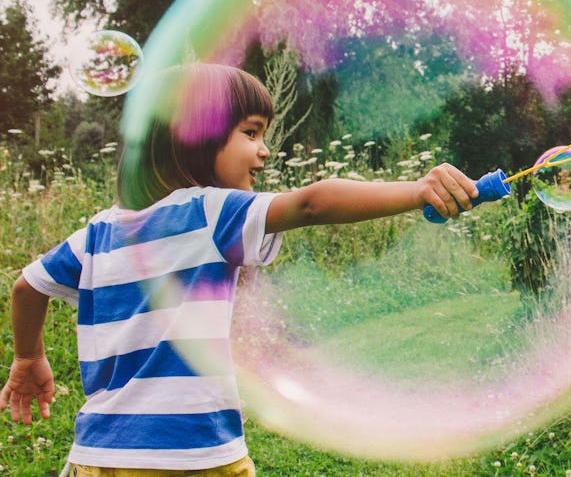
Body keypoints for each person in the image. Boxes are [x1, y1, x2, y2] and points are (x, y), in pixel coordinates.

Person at [0, 63, 478, 476]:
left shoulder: (97, 233)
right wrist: (416, 191)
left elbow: (27, 286)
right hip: (195, 452)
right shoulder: (210, 211)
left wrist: (27, 360)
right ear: (196, 137)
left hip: (104, 453)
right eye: (251, 133)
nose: (264, 151)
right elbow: (311, 204)